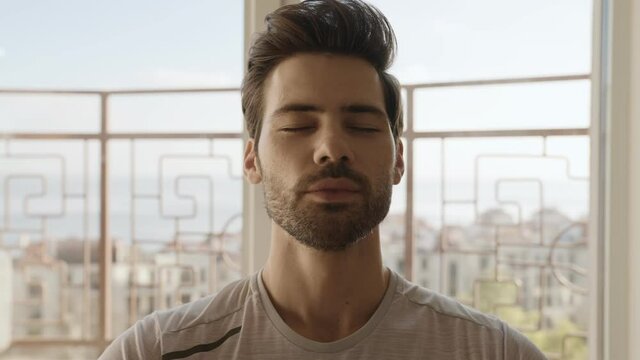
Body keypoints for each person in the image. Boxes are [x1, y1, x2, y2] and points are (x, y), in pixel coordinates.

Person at [99, 0, 547, 359]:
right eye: (297, 125)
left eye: (363, 126)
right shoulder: (156, 351)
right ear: (252, 160)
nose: (332, 148)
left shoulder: (492, 351)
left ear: (399, 160)